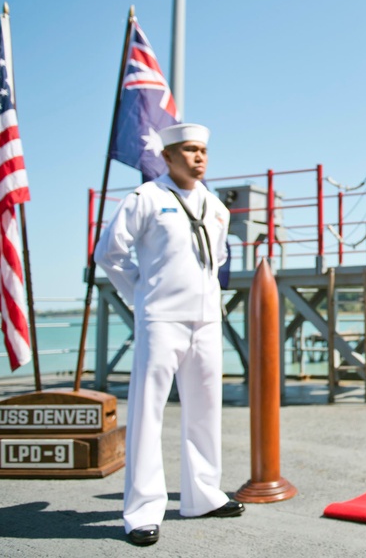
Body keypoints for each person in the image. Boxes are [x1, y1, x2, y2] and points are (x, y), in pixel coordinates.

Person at [94, 123, 244, 546]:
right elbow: (109, 252)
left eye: (203, 151)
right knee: (148, 412)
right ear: (168, 156)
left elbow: (216, 263)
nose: (199, 157)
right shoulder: (145, 199)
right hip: (161, 319)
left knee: (205, 408)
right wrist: (140, 293)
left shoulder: (216, 207)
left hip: (206, 321)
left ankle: (203, 495)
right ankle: (142, 511)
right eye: (190, 150)